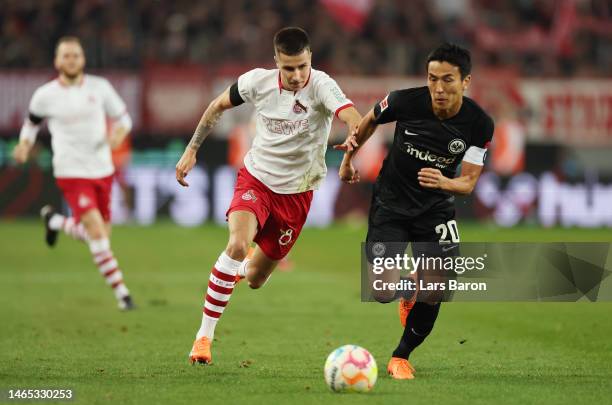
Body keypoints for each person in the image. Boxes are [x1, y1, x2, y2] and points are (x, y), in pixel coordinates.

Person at [175, 26, 361, 365]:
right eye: (288, 68)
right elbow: (216, 106)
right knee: (235, 243)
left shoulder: (322, 85)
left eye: (302, 66)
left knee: (256, 279)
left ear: (310, 60)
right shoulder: (255, 82)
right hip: (256, 180)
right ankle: (203, 338)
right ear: (276, 62)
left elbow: (353, 118)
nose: (296, 75)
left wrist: (350, 146)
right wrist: (192, 149)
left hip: (297, 194)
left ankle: (239, 267)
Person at [338, 43, 494, 380]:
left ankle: (400, 357)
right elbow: (368, 121)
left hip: (435, 211)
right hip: (390, 205)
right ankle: (407, 289)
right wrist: (350, 158)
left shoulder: (479, 124)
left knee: (438, 286)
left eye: (448, 80)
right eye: (432, 78)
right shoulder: (402, 101)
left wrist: (443, 182)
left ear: (465, 82)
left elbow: (467, 183)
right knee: (380, 290)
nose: (439, 88)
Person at [12, 36, 135, 311]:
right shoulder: (45, 95)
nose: (71, 60)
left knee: (99, 234)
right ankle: (123, 295)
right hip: (71, 171)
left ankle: (54, 221)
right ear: (57, 61)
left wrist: (118, 132)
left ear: (83, 59)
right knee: (96, 233)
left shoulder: (100, 88)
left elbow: (124, 119)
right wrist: (24, 144)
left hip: (102, 170)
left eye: (75, 55)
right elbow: (30, 125)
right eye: (66, 56)